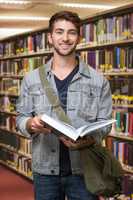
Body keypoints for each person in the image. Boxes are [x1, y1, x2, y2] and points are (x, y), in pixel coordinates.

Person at [16, 10, 112, 200]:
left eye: (72, 32)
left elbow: (105, 123)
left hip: (84, 171)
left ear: (79, 37)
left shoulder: (98, 81)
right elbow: (21, 117)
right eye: (59, 32)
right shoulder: (32, 79)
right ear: (50, 38)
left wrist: (90, 139)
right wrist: (30, 124)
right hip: (44, 172)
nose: (65, 38)